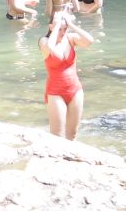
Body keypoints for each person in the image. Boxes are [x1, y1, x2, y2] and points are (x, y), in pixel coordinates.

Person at [39, 10, 94, 140]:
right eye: (60, 29)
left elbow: (90, 41)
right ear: (51, 27)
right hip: (55, 92)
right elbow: (52, 48)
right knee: (57, 137)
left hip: (75, 90)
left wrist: (72, 25)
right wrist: (57, 25)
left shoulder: (71, 38)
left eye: (65, 29)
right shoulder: (44, 41)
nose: (63, 32)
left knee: (72, 135)